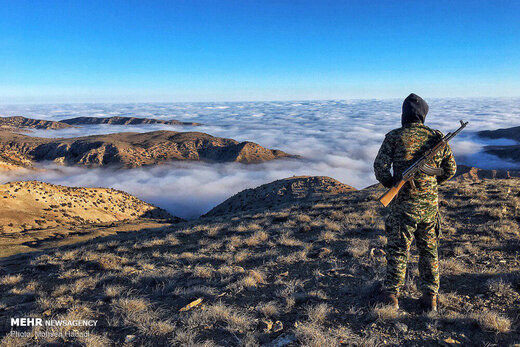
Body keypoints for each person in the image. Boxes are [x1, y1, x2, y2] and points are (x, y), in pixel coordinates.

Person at [373, 93, 457, 312]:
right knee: (429, 250)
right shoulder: (436, 138)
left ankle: (391, 294)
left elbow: (379, 167)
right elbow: (450, 170)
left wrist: (392, 184)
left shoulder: (394, 136)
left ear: (404, 114)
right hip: (429, 207)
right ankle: (430, 296)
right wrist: (431, 182)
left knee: (398, 249)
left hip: (402, 208)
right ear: (423, 115)